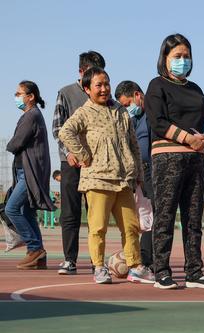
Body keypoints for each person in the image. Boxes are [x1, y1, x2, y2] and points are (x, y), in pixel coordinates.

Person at [59, 67, 154, 285]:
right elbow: (65, 132)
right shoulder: (84, 112)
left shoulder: (121, 111)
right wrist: (83, 155)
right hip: (97, 180)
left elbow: (133, 145)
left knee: (131, 226)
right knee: (98, 227)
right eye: (98, 85)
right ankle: (99, 267)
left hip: (123, 180)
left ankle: (135, 267)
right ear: (87, 89)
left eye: (107, 84)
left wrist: (137, 172)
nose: (104, 89)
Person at [144, 33, 204, 290]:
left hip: (196, 160)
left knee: (193, 218)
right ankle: (162, 271)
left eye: (186, 56)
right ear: (165, 58)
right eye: (177, 56)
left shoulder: (196, 90)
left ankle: (194, 271)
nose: (183, 60)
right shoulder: (157, 86)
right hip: (167, 159)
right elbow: (157, 122)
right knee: (165, 216)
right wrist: (188, 138)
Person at [52, 50, 106, 275]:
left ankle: (97, 262)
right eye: (90, 73)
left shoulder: (104, 97)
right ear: (81, 72)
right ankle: (69, 259)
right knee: (70, 213)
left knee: (96, 213)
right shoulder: (65, 93)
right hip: (71, 163)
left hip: (96, 165)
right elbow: (57, 128)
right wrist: (70, 152)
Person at [6, 80, 56, 269]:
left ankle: (34, 248)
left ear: (31, 96)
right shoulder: (31, 115)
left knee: (11, 209)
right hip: (23, 171)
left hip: (29, 172)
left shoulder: (32, 115)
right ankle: (38, 255)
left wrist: (9, 145)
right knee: (26, 211)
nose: (16, 97)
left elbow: (16, 143)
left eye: (19, 93)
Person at [115, 80, 154, 270]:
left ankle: (147, 260)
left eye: (127, 104)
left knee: (152, 217)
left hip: (155, 170)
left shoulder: (155, 113)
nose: (126, 109)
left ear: (137, 95)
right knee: (140, 217)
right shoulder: (134, 119)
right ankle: (141, 257)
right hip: (139, 174)